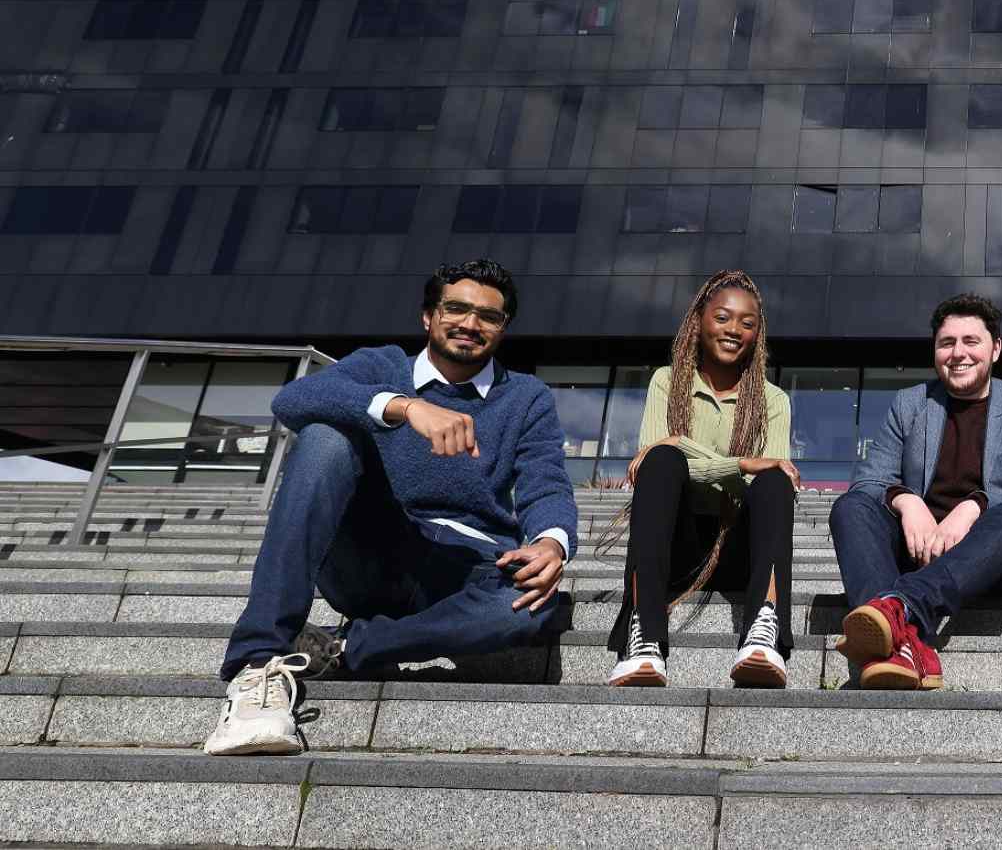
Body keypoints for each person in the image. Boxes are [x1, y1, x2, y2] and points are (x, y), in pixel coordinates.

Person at [205, 260, 577, 756]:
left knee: (539, 604)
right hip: (376, 546)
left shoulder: (526, 396)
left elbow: (546, 480)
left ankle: (343, 650)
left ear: (503, 328)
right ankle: (257, 664)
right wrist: (405, 407)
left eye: (488, 316)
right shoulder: (381, 365)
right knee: (324, 437)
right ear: (428, 316)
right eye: (456, 308)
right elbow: (295, 398)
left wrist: (551, 542)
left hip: (467, 562)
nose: (470, 323)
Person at [829, 293, 1002, 690]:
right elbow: (869, 482)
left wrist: (977, 505)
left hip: (998, 559)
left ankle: (898, 608)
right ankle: (903, 644)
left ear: (996, 349)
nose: (958, 353)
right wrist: (906, 501)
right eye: (946, 343)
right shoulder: (909, 405)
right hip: (921, 550)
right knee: (851, 506)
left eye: (971, 341)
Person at [607, 270, 798, 688]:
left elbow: (774, 477)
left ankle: (763, 631)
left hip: (740, 550)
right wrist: (740, 465)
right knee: (662, 462)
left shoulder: (774, 401)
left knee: (774, 482)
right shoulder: (666, 381)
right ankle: (645, 637)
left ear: (757, 334)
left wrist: (691, 448)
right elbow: (650, 464)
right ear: (699, 321)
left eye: (748, 323)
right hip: (677, 549)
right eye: (723, 317)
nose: (734, 330)